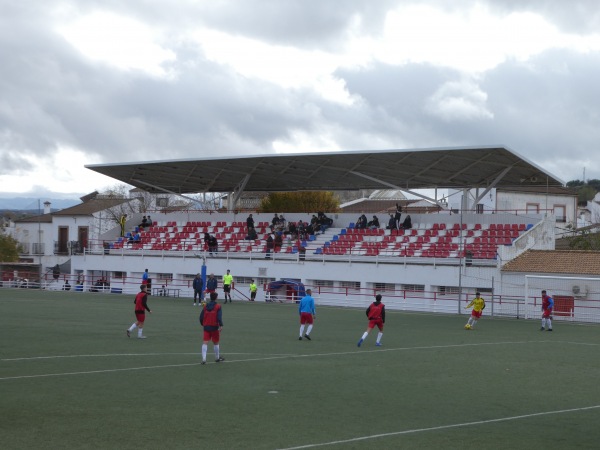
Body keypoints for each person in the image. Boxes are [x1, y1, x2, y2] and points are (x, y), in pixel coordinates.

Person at [199, 292, 225, 364]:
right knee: (216, 343)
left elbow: (201, 317)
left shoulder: (205, 306)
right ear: (216, 298)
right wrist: (221, 325)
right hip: (214, 327)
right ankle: (217, 358)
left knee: (205, 342)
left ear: (210, 297)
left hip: (206, 326)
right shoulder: (218, 306)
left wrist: (203, 324)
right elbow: (219, 317)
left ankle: (204, 359)